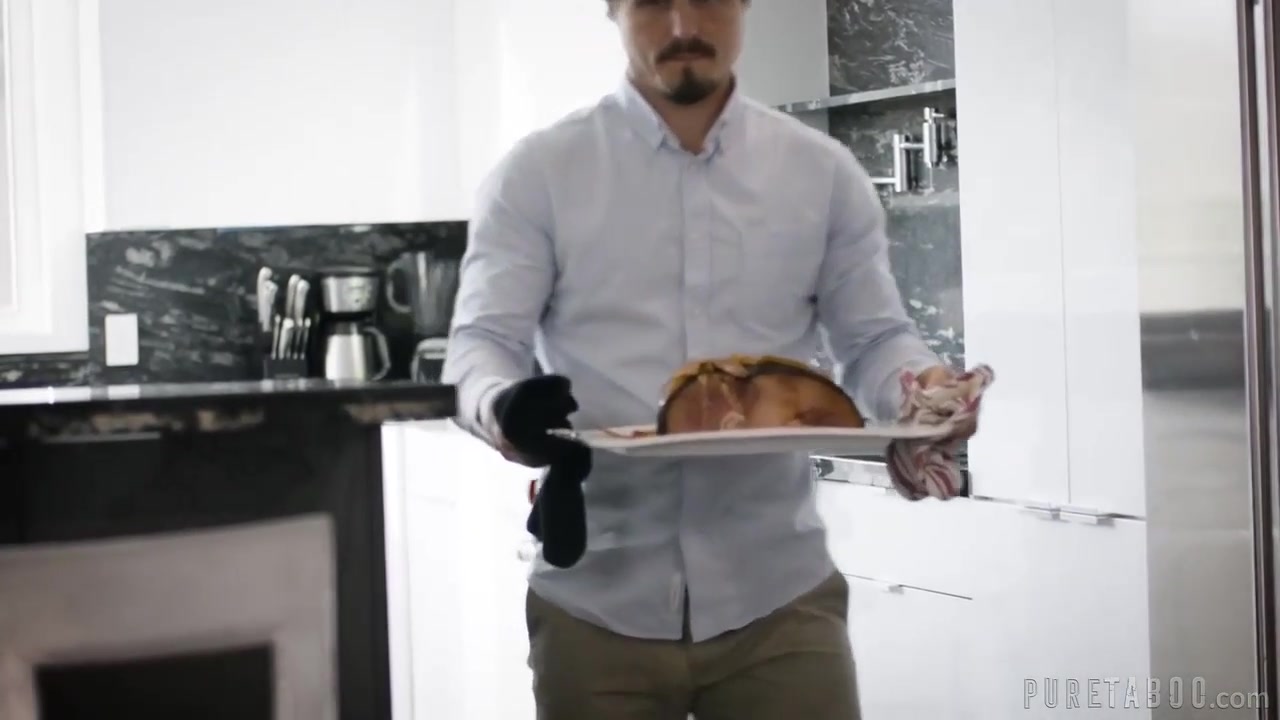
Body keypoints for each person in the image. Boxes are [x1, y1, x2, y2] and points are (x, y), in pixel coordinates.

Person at [442, 0, 974, 717]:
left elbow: (875, 340)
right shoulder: (538, 174)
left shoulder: (821, 173)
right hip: (596, 609)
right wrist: (501, 406)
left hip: (782, 603)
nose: (683, 24)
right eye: (654, 2)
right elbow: (480, 345)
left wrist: (924, 390)